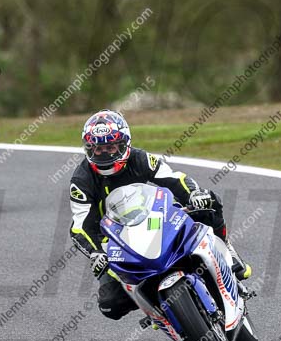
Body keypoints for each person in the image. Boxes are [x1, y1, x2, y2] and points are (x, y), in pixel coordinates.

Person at [69, 110, 252, 321]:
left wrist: (194, 194)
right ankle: (158, 309)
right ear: (88, 148)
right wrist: (96, 253)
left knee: (209, 202)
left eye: (110, 147)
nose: (105, 154)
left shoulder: (140, 158)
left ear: (124, 144)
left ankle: (226, 248)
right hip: (116, 242)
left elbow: (173, 179)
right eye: (97, 149)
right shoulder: (81, 180)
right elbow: (80, 226)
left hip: (155, 219)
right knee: (111, 305)